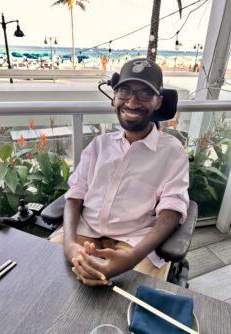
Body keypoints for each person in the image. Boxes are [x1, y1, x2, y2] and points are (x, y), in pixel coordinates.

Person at [51, 58, 189, 286]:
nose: (132, 102)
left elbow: (171, 211)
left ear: (158, 102)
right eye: (124, 91)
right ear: (114, 98)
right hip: (85, 231)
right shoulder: (99, 145)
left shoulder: (172, 153)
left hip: (134, 241)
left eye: (145, 93)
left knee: (128, 300)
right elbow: (75, 194)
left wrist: (131, 258)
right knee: (44, 274)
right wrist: (69, 244)